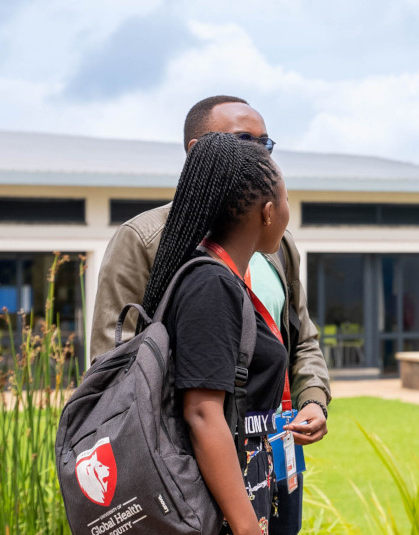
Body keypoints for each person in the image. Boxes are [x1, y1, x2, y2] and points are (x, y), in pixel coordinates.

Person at [89, 96, 328, 534]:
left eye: (266, 143)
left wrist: (313, 399)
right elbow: (116, 370)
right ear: (199, 151)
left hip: (273, 453)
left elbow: (302, 338)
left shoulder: (277, 247)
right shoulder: (149, 242)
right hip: (200, 469)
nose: (259, 153)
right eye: (243, 141)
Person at [143, 133, 288, 534]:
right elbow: (203, 412)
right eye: (288, 200)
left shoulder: (221, 278)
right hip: (219, 512)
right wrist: (245, 527)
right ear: (268, 211)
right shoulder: (211, 284)